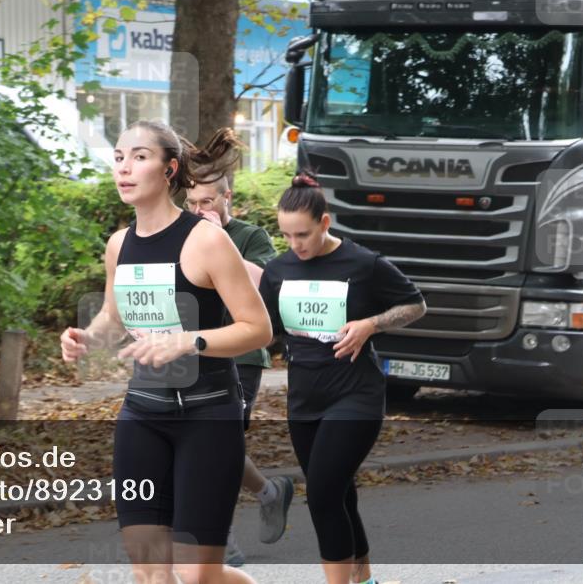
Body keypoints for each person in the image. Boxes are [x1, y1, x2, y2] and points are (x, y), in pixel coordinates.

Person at [60, 122, 273, 584]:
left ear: (169, 168)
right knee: (150, 572)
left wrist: (189, 340)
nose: (124, 168)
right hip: (142, 416)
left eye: (139, 157)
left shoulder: (206, 240)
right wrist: (87, 338)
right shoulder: (119, 244)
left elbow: (258, 330)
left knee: (198, 575)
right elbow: (116, 318)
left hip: (207, 418)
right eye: (118, 157)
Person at [257, 170, 427, 584]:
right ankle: (365, 579)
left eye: (303, 235)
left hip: (356, 395)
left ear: (325, 223)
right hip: (304, 399)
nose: (295, 245)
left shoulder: (363, 263)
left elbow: (415, 305)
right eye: (286, 236)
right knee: (340, 493)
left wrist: (370, 323)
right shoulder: (278, 271)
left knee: (322, 494)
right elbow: (267, 330)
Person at [184, 170, 294, 567]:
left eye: (207, 203)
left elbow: (267, 285)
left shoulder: (251, 237)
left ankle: (219, 538)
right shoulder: (182, 233)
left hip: (242, 355)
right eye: (191, 204)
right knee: (209, 444)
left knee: (215, 444)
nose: (198, 211)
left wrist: (220, 242)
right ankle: (269, 493)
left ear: (227, 197)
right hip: (191, 352)